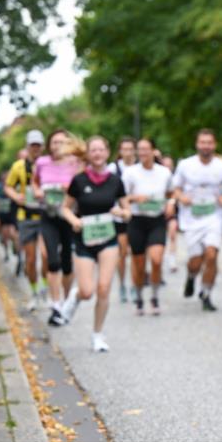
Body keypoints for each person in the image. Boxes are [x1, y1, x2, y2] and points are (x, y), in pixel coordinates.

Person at [59, 136, 130, 352]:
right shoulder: (79, 181)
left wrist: (121, 212)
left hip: (108, 239)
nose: (98, 154)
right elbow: (64, 208)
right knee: (88, 291)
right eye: (94, 150)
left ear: (107, 153)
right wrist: (74, 221)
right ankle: (76, 295)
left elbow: (127, 212)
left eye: (101, 150)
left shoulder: (116, 181)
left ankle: (97, 334)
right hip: (84, 240)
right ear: (88, 154)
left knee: (104, 288)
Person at [172, 129, 222, 312]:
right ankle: (192, 277)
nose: (206, 146)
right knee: (195, 261)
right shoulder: (185, 165)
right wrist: (181, 197)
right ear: (197, 144)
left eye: (209, 142)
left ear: (214, 145)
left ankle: (206, 293)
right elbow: (175, 188)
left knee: (211, 254)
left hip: (213, 217)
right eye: (202, 142)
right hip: (191, 218)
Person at [33, 129, 85, 326]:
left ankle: (64, 300)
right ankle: (55, 305)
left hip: (69, 217)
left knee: (67, 263)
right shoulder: (42, 163)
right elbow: (35, 182)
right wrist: (38, 191)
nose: (57, 146)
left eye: (62, 142)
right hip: (49, 215)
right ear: (49, 145)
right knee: (51, 260)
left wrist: (68, 188)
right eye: (54, 142)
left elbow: (82, 186)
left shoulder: (76, 163)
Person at [122, 137, 173, 316]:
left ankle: (154, 295)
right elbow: (123, 197)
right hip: (137, 220)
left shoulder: (164, 173)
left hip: (156, 220)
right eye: (140, 150)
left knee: (157, 259)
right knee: (139, 264)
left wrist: (170, 203)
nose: (142, 153)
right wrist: (135, 199)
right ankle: (139, 297)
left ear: (153, 151)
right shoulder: (130, 173)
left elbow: (171, 192)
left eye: (146, 149)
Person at [5, 130, 50, 310]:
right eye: (33, 145)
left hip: (46, 215)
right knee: (30, 259)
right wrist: (16, 197)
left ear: (42, 146)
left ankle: (45, 287)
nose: (35, 148)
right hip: (26, 216)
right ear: (28, 146)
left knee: (46, 256)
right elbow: (8, 186)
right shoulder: (18, 166)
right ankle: (33, 292)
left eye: (38, 145)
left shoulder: (48, 164)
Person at [107, 136, 138, 302]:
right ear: (120, 151)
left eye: (130, 149)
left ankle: (134, 284)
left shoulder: (140, 167)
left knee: (135, 252)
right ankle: (122, 285)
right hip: (119, 216)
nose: (127, 152)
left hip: (137, 215)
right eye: (124, 149)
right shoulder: (113, 168)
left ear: (135, 150)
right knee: (122, 252)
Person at [0, 170, 19, 264]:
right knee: (5, 235)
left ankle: (15, 248)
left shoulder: (15, 187)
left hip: (12, 214)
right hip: (2, 214)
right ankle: (6, 252)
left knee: (13, 233)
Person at [161, 154, 179, 273]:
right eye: (165, 165)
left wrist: (172, 202)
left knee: (172, 233)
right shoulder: (158, 176)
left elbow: (177, 193)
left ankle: (172, 258)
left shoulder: (176, 179)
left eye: (169, 165)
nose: (167, 167)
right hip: (158, 211)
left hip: (172, 211)